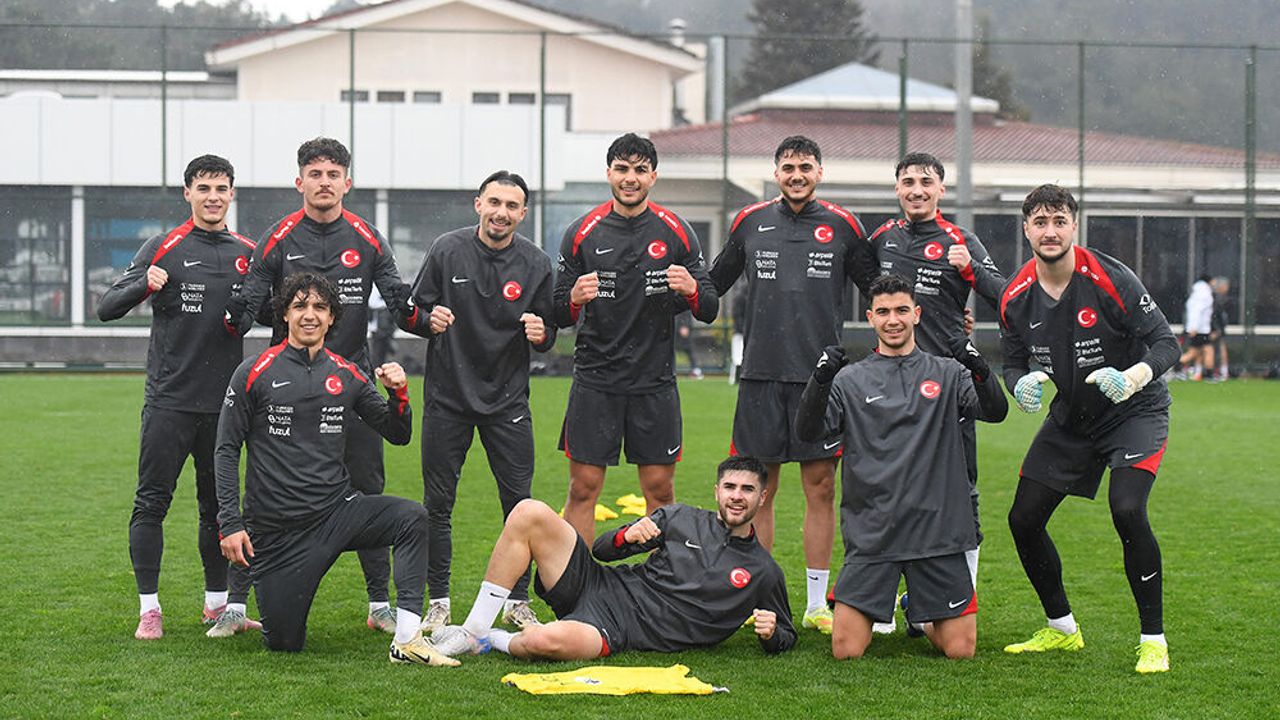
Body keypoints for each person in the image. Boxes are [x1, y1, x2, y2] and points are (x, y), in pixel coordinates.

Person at [215, 272, 454, 665]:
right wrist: (230, 522)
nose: (309, 315)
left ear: (331, 318)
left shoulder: (347, 373)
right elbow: (226, 449)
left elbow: (397, 434)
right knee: (284, 643)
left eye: (320, 307)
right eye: (300, 306)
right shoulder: (254, 372)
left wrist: (398, 395)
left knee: (412, 518)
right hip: (277, 531)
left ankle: (408, 640)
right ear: (285, 314)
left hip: (336, 514)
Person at [235, 137, 420, 634]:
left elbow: (399, 300)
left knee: (368, 485)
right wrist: (228, 315)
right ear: (299, 182)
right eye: (314, 174)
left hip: (352, 384)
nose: (324, 183)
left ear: (347, 182)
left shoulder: (367, 237)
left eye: (332, 174)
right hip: (285, 384)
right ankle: (235, 603)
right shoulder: (277, 237)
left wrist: (430, 319)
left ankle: (379, 605)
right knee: (264, 489)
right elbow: (249, 306)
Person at [999, 184, 1179, 674]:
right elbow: (1011, 361)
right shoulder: (1015, 296)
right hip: (1073, 418)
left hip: (1134, 412)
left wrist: (1133, 377)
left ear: (1074, 226)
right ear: (1026, 229)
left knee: (1127, 510)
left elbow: (1166, 343)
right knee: (1023, 520)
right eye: (1040, 222)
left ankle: (1154, 641)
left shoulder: (1111, 277)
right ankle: (1062, 629)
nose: (1050, 231)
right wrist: (1019, 384)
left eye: (1059, 221)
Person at [708, 135, 876, 634]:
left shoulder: (844, 226)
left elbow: (882, 291)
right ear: (776, 172)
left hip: (819, 380)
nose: (796, 175)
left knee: (820, 488)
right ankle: (757, 597)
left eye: (805, 167)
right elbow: (712, 285)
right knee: (760, 490)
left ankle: (815, 604)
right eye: (788, 167)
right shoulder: (749, 221)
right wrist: (674, 288)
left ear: (820, 172)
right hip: (760, 375)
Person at [795, 274, 1007, 659]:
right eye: (883, 312)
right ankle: (908, 607)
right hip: (874, 532)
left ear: (917, 314)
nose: (893, 320)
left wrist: (977, 364)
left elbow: (996, 411)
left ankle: (919, 614)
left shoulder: (948, 372)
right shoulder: (850, 379)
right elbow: (808, 432)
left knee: (960, 650)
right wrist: (819, 380)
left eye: (901, 310)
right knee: (846, 649)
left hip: (937, 531)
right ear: (870, 317)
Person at [97, 154, 260, 641]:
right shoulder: (162, 246)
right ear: (187, 193)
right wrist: (142, 285)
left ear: (232, 194)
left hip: (224, 408)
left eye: (221, 188)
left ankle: (217, 605)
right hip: (169, 402)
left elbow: (278, 312)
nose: (213, 197)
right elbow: (106, 307)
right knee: (152, 503)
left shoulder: (248, 252)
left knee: (217, 510)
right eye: (203, 188)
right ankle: (149, 609)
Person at [429, 456, 796, 661]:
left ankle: (489, 639)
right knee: (528, 512)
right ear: (717, 491)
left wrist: (770, 635)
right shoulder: (680, 517)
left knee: (542, 642)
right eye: (730, 487)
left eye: (747, 489)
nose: (737, 496)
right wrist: (626, 535)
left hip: (620, 630)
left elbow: (787, 634)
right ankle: (472, 630)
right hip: (597, 584)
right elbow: (602, 551)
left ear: (762, 497)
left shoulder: (763, 571)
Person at [405, 171, 555, 632]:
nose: (501, 213)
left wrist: (542, 333)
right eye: (494, 202)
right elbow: (413, 312)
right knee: (438, 504)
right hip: (447, 399)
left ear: (522, 213)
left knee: (519, 505)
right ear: (478, 204)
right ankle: (439, 602)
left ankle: (518, 601)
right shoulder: (446, 249)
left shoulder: (536, 263)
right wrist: (428, 319)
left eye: (511, 206)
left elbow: (550, 331)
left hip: (507, 403)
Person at [552, 133, 718, 541]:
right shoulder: (582, 231)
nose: (631, 178)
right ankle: (578, 579)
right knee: (583, 489)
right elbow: (556, 310)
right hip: (596, 380)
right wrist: (573, 299)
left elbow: (709, 307)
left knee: (660, 491)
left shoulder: (677, 231)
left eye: (640, 170)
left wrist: (692, 291)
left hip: (653, 381)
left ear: (653, 177)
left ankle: (661, 578)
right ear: (609, 173)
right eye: (622, 169)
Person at [869, 151, 1006, 608]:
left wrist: (971, 270)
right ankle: (882, 598)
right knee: (888, 490)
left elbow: (1006, 296)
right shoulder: (882, 239)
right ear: (897, 189)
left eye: (926, 182)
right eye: (908, 182)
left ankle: (962, 599)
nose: (917, 190)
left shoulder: (961, 240)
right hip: (889, 385)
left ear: (940, 190)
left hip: (948, 386)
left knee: (959, 491)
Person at [1179, 274, 1215, 381]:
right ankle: (1209, 375)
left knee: (1194, 352)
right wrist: (1194, 327)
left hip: (1199, 328)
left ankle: (1175, 366)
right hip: (1201, 329)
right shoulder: (1204, 293)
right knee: (1207, 350)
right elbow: (1197, 311)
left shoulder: (1197, 293)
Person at [1210, 276, 1231, 380]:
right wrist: (1216, 329)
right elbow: (1215, 315)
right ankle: (1220, 371)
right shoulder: (1216, 298)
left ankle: (1222, 371)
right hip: (1216, 328)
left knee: (1217, 349)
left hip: (1217, 328)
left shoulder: (1219, 298)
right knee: (1212, 349)